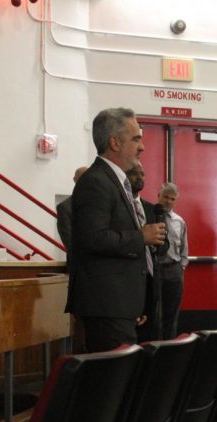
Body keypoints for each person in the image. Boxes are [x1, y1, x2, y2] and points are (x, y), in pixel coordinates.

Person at [65, 107, 165, 353]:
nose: (142, 147)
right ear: (115, 142)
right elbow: (93, 238)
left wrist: (135, 303)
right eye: (136, 138)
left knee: (121, 380)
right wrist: (140, 236)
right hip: (106, 305)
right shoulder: (96, 182)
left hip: (119, 305)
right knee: (112, 382)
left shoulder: (114, 180)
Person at [126, 162, 162, 342]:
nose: (140, 177)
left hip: (150, 277)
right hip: (130, 277)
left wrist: (157, 243)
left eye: (143, 174)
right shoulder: (123, 207)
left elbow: (165, 244)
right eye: (134, 173)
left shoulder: (151, 208)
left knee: (149, 338)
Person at [157, 182, 188, 340]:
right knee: (155, 312)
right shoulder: (148, 218)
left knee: (172, 313)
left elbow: (184, 248)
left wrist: (181, 267)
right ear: (159, 196)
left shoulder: (179, 221)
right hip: (155, 270)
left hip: (174, 270)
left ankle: (169, 348)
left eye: (172, 198)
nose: (168, 201)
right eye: (166, 197)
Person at [55, 165, 87, 266]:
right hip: (80, 267)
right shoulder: (65, 207)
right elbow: (70, 242)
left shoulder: (102, 202)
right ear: (75, 180)